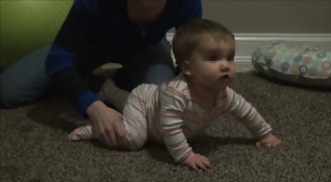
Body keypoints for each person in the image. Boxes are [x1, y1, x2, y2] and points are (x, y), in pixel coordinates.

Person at [68, 19, 283, 170]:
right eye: (214, 58)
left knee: (131, 104)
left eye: (230, 57)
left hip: (152, 99)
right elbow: (170, 129)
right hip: (146, 103)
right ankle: (93, 130)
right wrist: (186, 156)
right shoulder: (177, 94)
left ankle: (108, 89)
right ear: (188, 68)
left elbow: (247, 112)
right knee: (134, 138)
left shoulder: (225, 95)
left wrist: (263, 134)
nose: (225, 65)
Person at [0, 0, 202, 150]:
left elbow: (192, 56)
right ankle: (72, 54)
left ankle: (118, 81)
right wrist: (94, 107)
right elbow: (57, 59)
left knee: (160, 104)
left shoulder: (187, 2)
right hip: (88, 45)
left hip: (146, 47)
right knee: (8, 91)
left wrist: (184, 90)